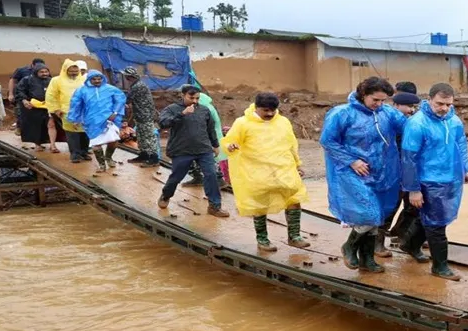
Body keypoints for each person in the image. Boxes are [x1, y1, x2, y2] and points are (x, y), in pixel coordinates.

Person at [320, 77, 402, 272]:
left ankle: (367, 259)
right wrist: (352, 161)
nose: (379, 104)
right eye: (375, 100)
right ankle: (350, 246)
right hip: (352, 172)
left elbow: (410, 126)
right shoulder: (342, 114)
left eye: (383, 100)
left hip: (380, 172)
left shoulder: (386, 113)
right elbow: (328, 141)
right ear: (363, 94)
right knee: (369, 214)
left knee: (377, 217)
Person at [222, 92, 310, 252]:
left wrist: (297, 164)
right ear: (256, 108)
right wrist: (230, 147)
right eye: (266, 110)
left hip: (283, 168)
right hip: (257, 172)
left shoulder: (283, 122)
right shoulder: (242, 123)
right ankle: (262, 240)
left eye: (273, 110)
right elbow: (229, 142)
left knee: (294, 198)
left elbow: (291, 144)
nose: (270, 114)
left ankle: (294, 236)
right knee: (259, 205)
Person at [401, 82, 468, 281]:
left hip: (450, 178)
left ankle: (410, 244)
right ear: (429, 99)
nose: (444, 108)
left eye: (448, 104)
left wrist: (464, 168)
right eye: (440, 103)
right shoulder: (417, 123)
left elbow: (461, 145)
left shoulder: (454, 121)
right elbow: (408, 158)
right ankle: (440, 266)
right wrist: (413, 189)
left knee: (435, 219)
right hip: (429, 180)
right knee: (437, 225)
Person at [156, 84, 229, 217]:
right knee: (176, 177)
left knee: (211, 175)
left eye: (197, 98)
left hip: (203, 149)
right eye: (191, 98)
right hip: (181, 150)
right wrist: (182, 114)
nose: (195, 101)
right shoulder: (173, 109)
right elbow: (163, 123)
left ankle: (214, 206)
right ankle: (166, 195)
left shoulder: (204, 110)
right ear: (183, 95)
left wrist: (215, 145)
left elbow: (210, 129)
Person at [377, 82, 422, 256]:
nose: (411, 110)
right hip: (391, 174)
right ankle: (377, 243)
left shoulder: (413, 123)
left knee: (413, 208)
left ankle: (403, 237)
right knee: (389, 208)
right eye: (408, 106)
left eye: (414, 107)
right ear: (395, 105)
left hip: (410, 174)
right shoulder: (387, 123)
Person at [66, 70, 126, 175]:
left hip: (109, 119)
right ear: (89, 79)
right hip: (92, 121)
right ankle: (102, 164)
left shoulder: (110, 89)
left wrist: (115, 112)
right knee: (96, 144)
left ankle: (108, 157)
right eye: (94, 79)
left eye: (99, 78)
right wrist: (75, 119)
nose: (97, 81)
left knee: (114, 140)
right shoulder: (81, 91)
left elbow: (120, 99)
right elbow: (75, 105)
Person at [45, 59, 88, 162]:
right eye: (71, 72)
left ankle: (84, 152)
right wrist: (56, 109)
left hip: (84, 111)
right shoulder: (56, 80)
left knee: (85, 133)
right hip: (66, 111)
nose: (74, 74)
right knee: (72, 133)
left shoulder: (83, 80)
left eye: (75, 72)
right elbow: (51, 96)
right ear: (65, 70)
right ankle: (75, 155)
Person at [122, 67, 160, 167]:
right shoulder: (136, 84)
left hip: (145, 116)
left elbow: (127, 100)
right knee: (141, 136)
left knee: (148, 137)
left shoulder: (138, 86)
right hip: (140, 115)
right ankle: (144, 155)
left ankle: (154, 158)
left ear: (128, 77)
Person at [17, 64, 53, 149]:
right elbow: (20, 91)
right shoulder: (27, 80)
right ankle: (37, 144)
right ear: (36, 72)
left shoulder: (51, 80)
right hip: (32, 108)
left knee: (49, 125)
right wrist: (25, 101)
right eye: (42, 72)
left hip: (47, 107)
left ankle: (50, 143)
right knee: (35, 127)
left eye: (46, 72)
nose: (44, 74)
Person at [8, 58, 45, 130]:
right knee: (20, 112)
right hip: (22, 95)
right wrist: (11, 94)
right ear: (32, 65)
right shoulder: (21, 70)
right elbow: (12, 80)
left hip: (36, 97)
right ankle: (20, 128)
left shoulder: (43, 71)